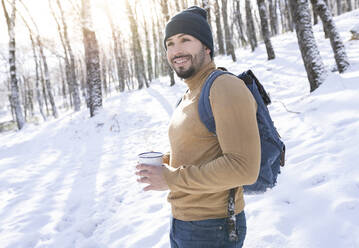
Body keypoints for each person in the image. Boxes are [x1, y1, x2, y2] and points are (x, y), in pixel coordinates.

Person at [135, 6, 260, 248]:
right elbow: (201, 148)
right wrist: (165, 161)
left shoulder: (224, 87)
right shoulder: (189, 94)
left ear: (206, 47)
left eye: (185, 40)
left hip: (213, 227)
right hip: (183, 223)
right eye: (169, 43)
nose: (176, 50)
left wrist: (171, 179)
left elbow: (244, 168)